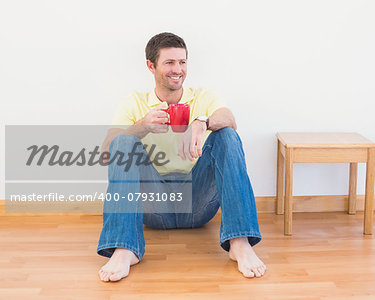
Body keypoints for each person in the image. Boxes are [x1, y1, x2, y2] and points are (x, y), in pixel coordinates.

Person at [96, 32, 266, 281]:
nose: (178, 69)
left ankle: (239, 242)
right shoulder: (134, 103)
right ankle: (124, 248)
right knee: (123, 140)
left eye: (182, 62)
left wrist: (203, 122)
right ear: (151, 66)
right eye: (169, 63)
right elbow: (106, 152)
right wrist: (142, 126)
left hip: (198, 201)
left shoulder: (202, 97)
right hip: (154, 204)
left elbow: (230, 119)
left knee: (227, 135)